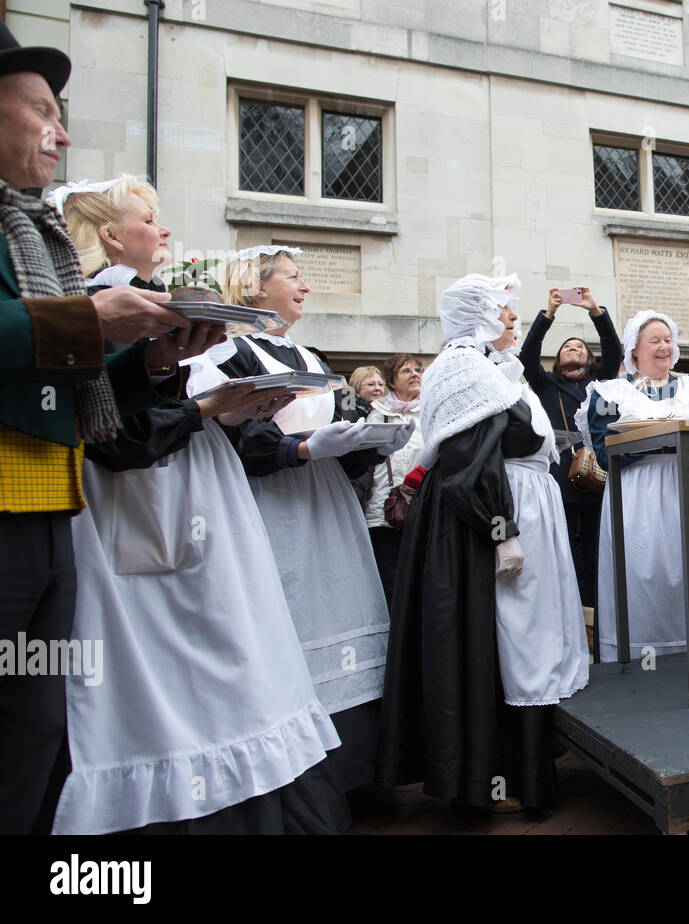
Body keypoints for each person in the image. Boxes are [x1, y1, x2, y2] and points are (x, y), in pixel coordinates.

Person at [48, 176, 346, 834]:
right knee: (191, 665)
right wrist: (212, 406)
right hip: (147, 511)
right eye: (149, 217)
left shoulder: (150, 313)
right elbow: (119, 437)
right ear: (108, 235)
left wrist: (233, 410)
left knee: (236, 652)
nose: (164, 231)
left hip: (192, 490)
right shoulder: (99, 308)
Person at [0, 23, 197, 834]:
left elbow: (62, 378)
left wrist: (152, 357)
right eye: (42, 109)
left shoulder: (31, 227)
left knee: (34, 732)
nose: (63, 132)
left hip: (50, 512)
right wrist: (89, 318)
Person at [195, 245, 410, 799]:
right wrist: (302, 450)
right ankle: (300, 778)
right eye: (293, 276)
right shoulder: (230, 353)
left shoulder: (310, 356)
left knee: (345, 609)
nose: (305, 286)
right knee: (292, 618)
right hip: (276, 506)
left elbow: (338, 436)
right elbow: (231, 439)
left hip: (330, 508)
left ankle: (357, 772)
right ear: (254, 285)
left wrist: (370, 442)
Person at [378, 273, 588, 812]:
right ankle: (503, 778)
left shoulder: (500, 371)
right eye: (506, 312)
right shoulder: (463, 366)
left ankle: (528, 770)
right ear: (478, 317)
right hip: (492, 517)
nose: (515, 320)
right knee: (509, 641)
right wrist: (502, 531)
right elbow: (470, 460)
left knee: (528, 638)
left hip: (526, 509)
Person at [577, 310, 689, 662]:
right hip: (640, 495)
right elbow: (604, 453)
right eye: (654, 341)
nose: (664, 347)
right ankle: (649, 659)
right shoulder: (610, 393)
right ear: (634, 349)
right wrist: (660, 434)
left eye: (668, 340)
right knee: (649, 576)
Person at [519, 285, 622, 618]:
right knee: (564, 550)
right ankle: (566, 612)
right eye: (567, 346)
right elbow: (527, 355)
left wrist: (595, 309)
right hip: (561, 477)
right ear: (558, 357)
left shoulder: (600, 382)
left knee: (596, 552)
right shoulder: (544, 383)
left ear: (588, 358)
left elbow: (614, 350)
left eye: (580, 346)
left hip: (598, 476)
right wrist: (549, 313)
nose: (574, 348)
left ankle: (595, 614)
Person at [357, 354, 426, 605]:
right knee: (390, 584)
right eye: (407, 371)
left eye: (418, 369)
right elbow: (367, 462)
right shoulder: (378, 414)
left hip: (422, 510)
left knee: (421, 581)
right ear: (392, 381)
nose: (415, 374)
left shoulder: (429, 412)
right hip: (382, 512)